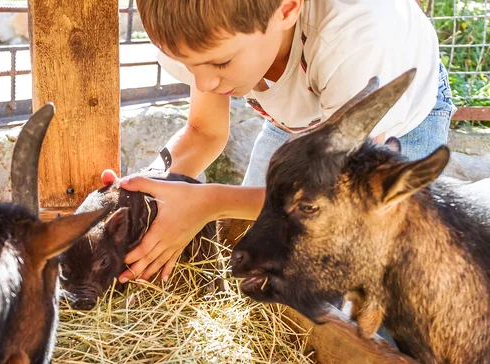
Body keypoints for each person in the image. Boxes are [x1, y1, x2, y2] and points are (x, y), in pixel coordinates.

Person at [104, 0, 457, 284]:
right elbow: (205, 133)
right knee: (255, 258)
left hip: (398, 124)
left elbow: (345, 197)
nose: (204, 83)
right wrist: (149, 190)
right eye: (187, 64)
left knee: (374, 277)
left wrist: (206, 203)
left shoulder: (358, 38)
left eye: (221, 62)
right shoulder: (203, 29)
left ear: (287, 9)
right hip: (299, 117)